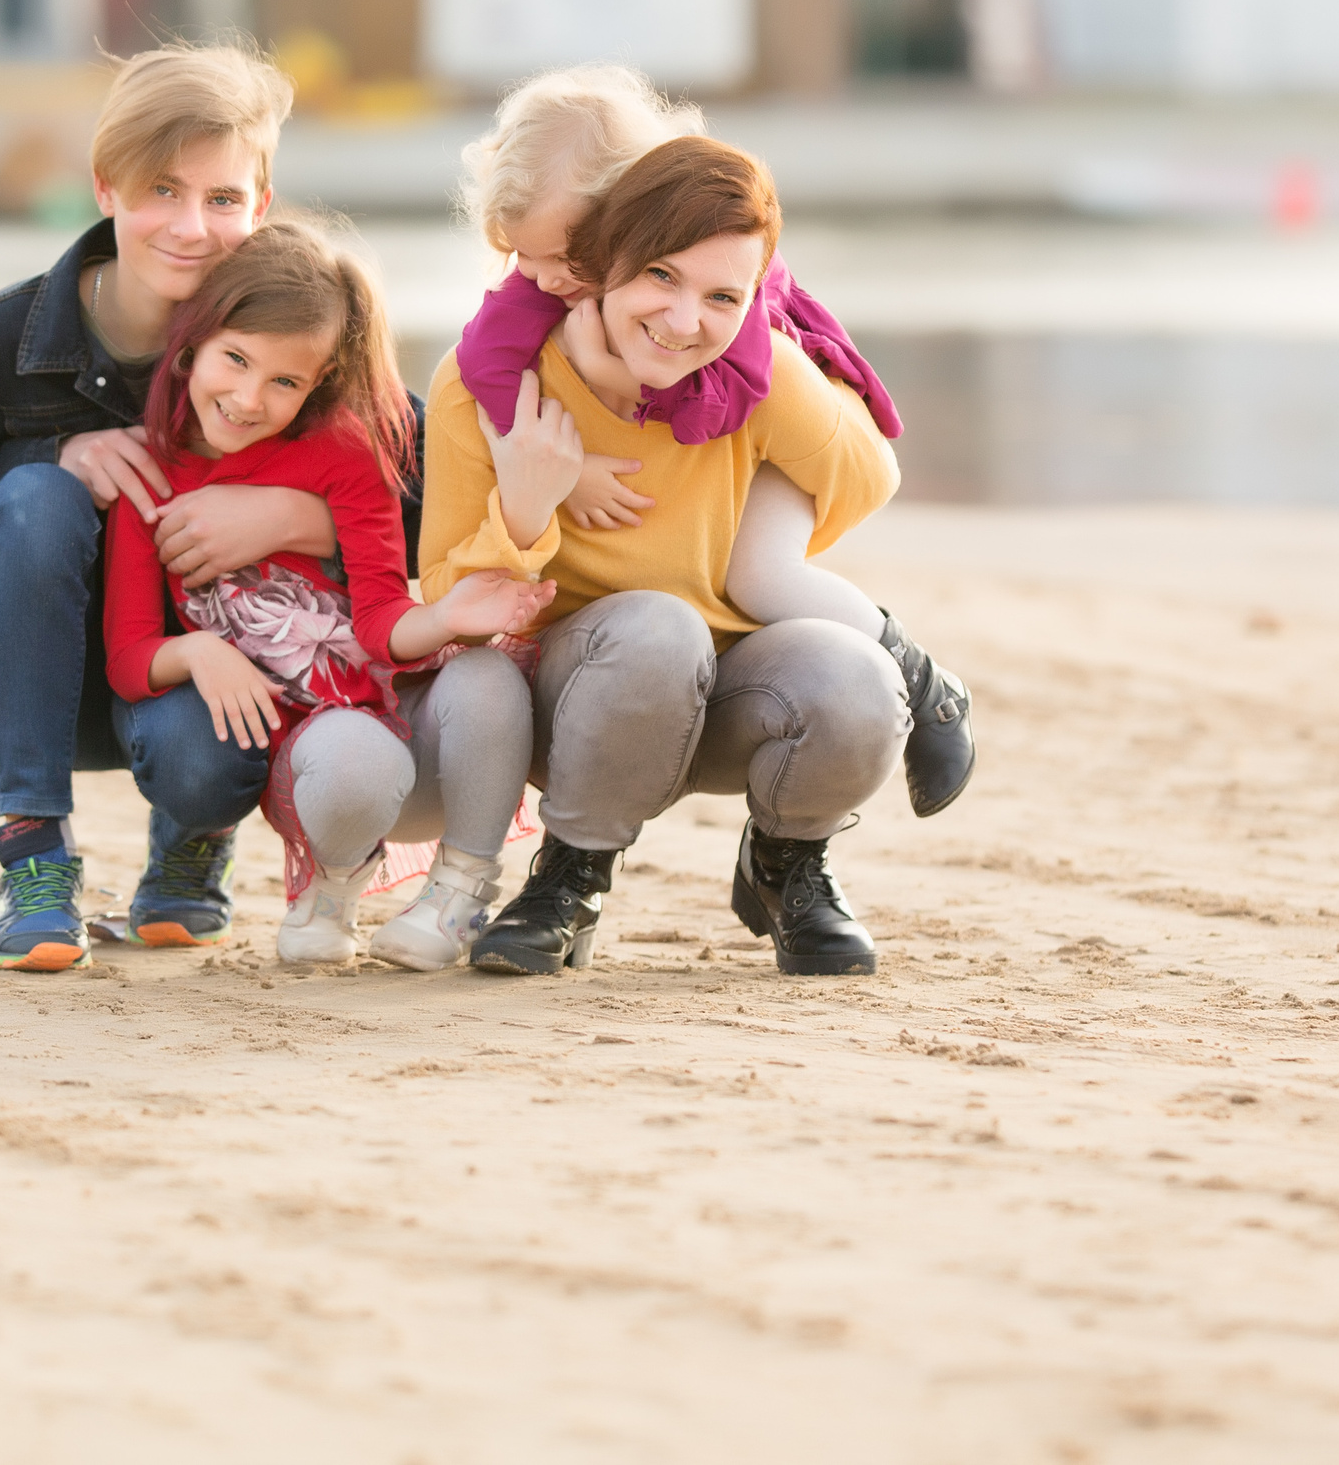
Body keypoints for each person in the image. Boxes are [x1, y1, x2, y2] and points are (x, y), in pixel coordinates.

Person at [0, 45, 402, 973]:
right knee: (38, 499)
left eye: (222, 199)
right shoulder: (10, 338)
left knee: (206, 757)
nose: (191, 227)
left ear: (262, 206)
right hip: (54, 671)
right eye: (162, 190)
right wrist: (58, 453)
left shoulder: (294, 328)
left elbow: (405, 509)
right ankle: (35, 852)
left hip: (220, 682)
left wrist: (289, 519)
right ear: (106, 188)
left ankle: (193, 841)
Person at [422, 136, 911, 978]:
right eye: (659, 276)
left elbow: (869, 477)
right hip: (574, 705)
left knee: (858, 674)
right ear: (604, 261)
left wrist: (779, 374)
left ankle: (787, 864)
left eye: (723, 295)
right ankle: (571, 877)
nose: (685, 322)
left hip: (726, 695)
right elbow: (449, 596)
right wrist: (533, 502)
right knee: (656, 628)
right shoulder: (488, 384)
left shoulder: (751, 374)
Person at [453, 64, 973, 815]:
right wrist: (554, 461)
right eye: (519, 255)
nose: (539, 278)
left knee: (761, 579)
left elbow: (722, 396)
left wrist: (618, 380)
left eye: (560, 258)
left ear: (631, 214)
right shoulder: (547, 283)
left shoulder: (716, 282)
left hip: (787, 404)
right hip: (732, 429)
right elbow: (484, 359)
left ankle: (927, 686)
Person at [104, 220, 548, 970]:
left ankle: (459, 892)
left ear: (318, 382)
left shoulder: (346, 449)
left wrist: (442, 617)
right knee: (351, 757)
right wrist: (201, 651)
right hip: (317, 762)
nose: (248, 398)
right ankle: (335, 886)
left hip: (415, 732)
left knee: (488, 674)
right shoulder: (147, 472)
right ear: (191, 344)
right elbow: (127, 655)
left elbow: (378, 622)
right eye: (235, 360)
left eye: (284, 381)